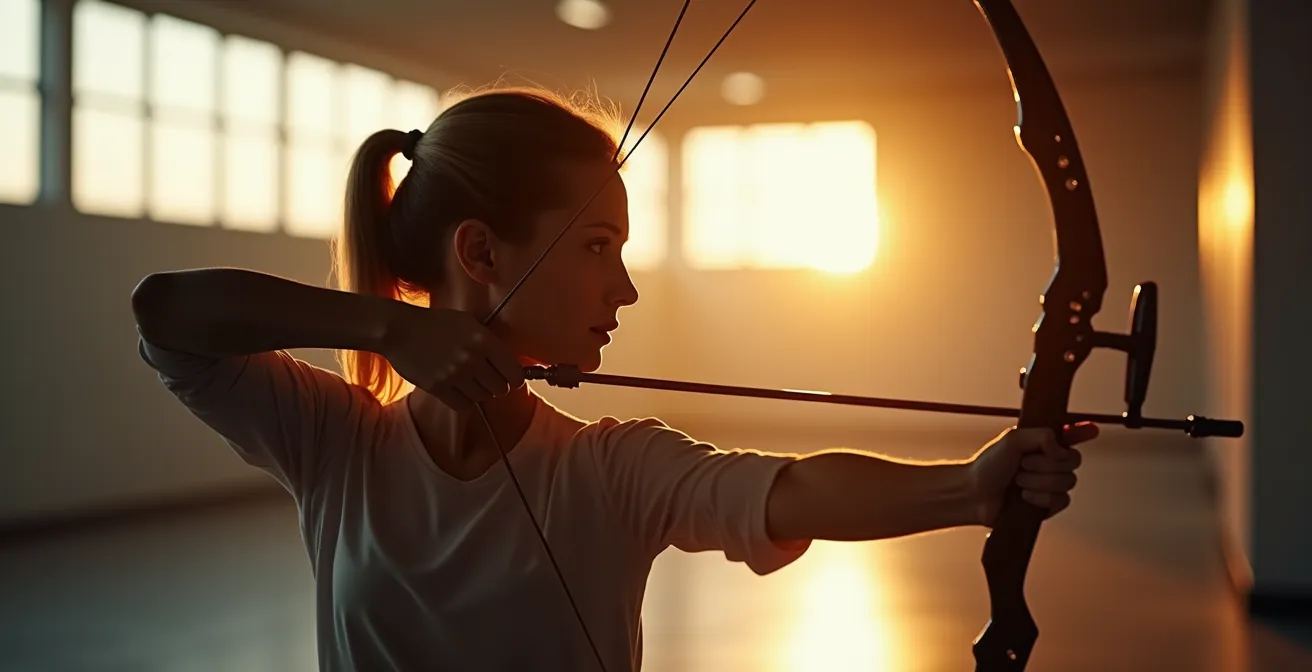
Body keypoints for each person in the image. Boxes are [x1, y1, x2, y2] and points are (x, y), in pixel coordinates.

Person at [130, 86, 1096, 671]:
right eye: (598, 245)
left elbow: (783, 487)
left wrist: (969, 488)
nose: (624, 287)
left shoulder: (607, 468)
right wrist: (387, 327)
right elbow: (167, 315)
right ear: (481, 251)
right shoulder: (337, 441)